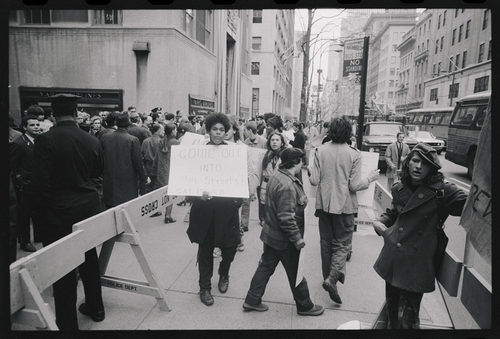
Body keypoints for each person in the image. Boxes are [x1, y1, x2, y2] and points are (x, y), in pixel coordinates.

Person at [372, 143, 467, 329]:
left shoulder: (442, 191)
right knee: (392, 315)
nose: (418, 167)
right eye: (415, 161)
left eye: (424, 163)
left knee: (408, 321)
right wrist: (381, 222)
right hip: (394, 259)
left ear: (431, 168)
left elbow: (472, 206)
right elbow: (394, 212)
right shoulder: (399, 188)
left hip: (416, 265)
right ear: (407, 163)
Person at [31, 94, 105, 330]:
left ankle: (67, 324)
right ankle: (96, 308)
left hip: (58, 213)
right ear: (76, 113)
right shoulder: (92, 140)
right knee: (89, 259)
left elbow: (40, 185)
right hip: (88, 210)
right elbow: (97, 173)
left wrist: (39, 222)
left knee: (62, 269)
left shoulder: (45, 141)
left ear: (53, 114)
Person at [243, 148, 325, 316]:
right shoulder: (287, 184)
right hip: (284, 240)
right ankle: (305, 306)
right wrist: (297, 240)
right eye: (301, 161)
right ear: (295, 163)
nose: (302, 164)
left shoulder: (277, 175)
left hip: (271, 235)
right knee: (296, 272)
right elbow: (286, 218)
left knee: (265, 267)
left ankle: (252, 300)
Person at [308, 116, 380, 305]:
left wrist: (311, 169)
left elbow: (314, 181)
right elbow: (355, 185)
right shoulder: (354, 154)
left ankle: (328, 278)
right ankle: (331, 279)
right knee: (342, 244)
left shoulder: (320, 151)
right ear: (349, 133)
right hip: (345, 206)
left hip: (323, 205)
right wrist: (371, 178)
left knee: (325, 244)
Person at [185, 112, 243, 306]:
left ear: (226, 131)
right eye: (214, 129)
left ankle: (224, 273)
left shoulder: (234, 153)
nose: (218, 133)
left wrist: (236, 202)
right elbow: (188, 182)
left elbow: (240, 182)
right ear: (208, 131)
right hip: (205, 211)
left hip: (227, 211)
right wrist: (196, 195)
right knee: (206, 250)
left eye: (221, 129)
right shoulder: (198, 153)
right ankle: (205, 287)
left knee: (229, 249)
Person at [100, 111, 150, 209]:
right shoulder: (132, 140)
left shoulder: (105, 138)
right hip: (127, 183)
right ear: (128, 126)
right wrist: (144, 178)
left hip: (109, 181)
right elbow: (138, 163)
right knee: (126, 211)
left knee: (110, 211)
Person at [10, 114, 43, 252]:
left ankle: (38, 236)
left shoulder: (39, 141)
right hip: (25, 185)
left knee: (37, 211)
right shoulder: (18, 143)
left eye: (37, 124)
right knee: (24, 215)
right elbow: (13, 165)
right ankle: (24, 242)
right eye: (32, 125)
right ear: (25, 127)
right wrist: (20, 180)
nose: (36, 127)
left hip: (37, 183)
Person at [250, 131, 288, 227]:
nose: (274, 142)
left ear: (282, 143)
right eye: (272, 140)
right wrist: (252, 190)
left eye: (277, 140)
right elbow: (257, 173)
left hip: (280, 185)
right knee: (264, 204)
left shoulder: (286, 156)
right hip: (266, 185)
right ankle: (263, 219)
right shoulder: (264, 155)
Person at [152, 123, 179, 223]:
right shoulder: (176, 142)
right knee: (170, 194)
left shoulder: (161, 141)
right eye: (175, 130)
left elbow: (156, 157)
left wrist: (154, 170)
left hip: (161, 171)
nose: (176, 131)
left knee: (163, 193)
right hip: (171, 171)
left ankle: (161, 212)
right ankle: (168, 215)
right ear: (172, 131)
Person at [142, 123, 164, 195]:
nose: (163, 132)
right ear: (159, 131)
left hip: (148, 167)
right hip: (158, 168)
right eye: (162, 130)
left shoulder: (145, 141)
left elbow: (142, 154)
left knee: (149, 188)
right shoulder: (161, 142)